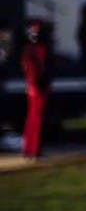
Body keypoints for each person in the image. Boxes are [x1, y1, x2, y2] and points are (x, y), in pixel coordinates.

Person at [20, 19, 51, 160]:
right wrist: (34, 84)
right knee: (36, 118)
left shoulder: (31, 49)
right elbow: (35, 69)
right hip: (37, 86)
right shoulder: (35, 49)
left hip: (36, 85)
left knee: (33, 117)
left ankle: (29, 149)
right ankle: (33, 150)